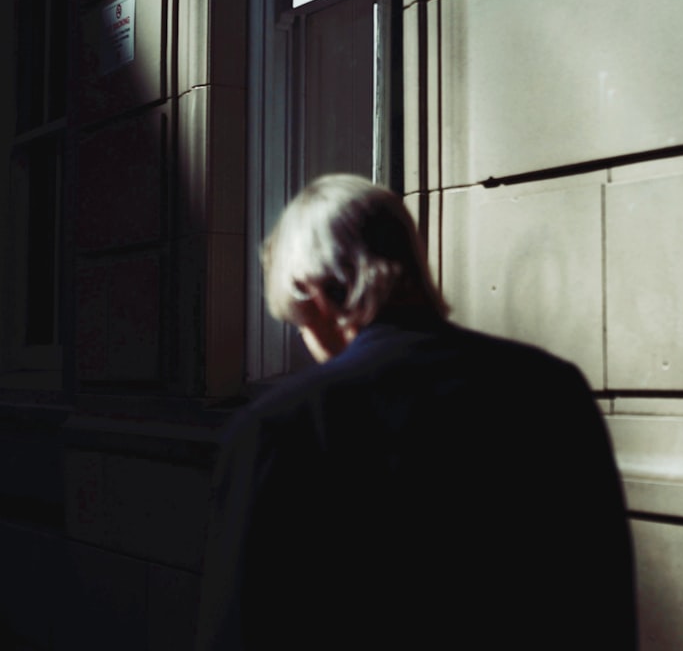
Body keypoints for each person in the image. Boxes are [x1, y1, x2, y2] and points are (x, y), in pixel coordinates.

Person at [195, 174, 636, 650]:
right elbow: (604, 601)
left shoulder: (279, 425)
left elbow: (238, 630)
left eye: (296, 321)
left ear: (312, 292)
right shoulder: (552, 387)